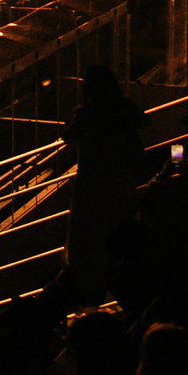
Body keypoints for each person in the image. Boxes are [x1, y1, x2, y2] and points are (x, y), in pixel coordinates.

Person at [62, 64, 144, 302]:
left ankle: (91, 292)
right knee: (119, 235)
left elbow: (68, 134)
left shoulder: (86, 114)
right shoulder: (123, 109)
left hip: (92, 185)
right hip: (121, 181)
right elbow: (142, 119)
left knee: (90, 241)